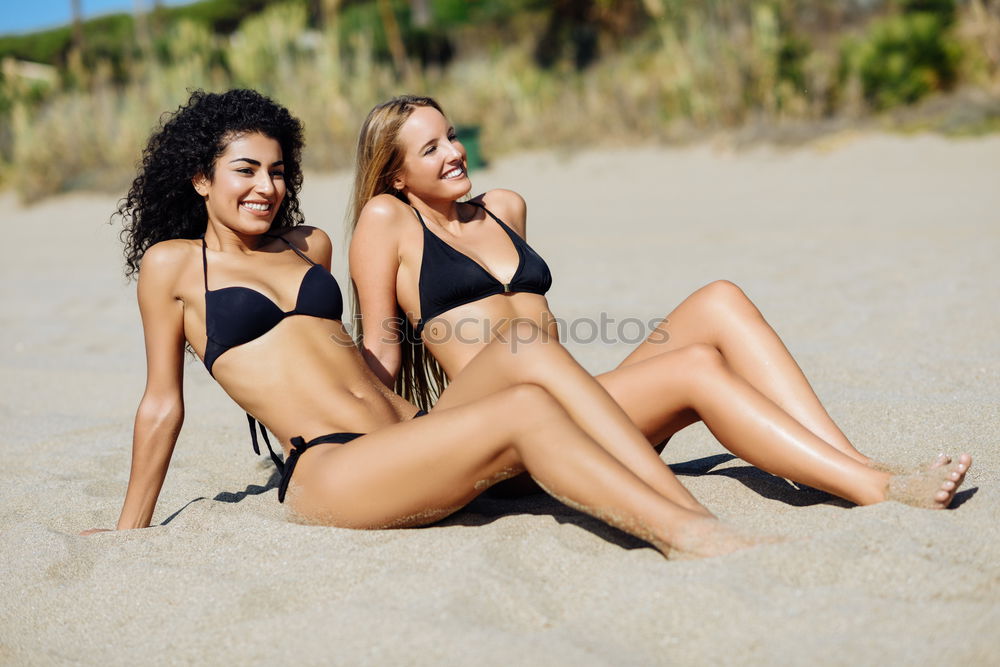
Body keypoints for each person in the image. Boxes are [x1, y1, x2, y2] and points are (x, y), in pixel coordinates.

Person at [82, 88, 775, 560]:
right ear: (200, 179)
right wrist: (128, 530)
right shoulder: (174, 268)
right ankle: (687, 530)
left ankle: (682, 506)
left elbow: (363, 348)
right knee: (527, 412)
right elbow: (161, 404)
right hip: (332, 466)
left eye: (278, 171)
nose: (268, 187)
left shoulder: (310, 244)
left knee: (525, 352)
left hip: (411, 431)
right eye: (245, 171)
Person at [347, 94, 971, 509]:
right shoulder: (387, 221)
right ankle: (876, 488)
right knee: (694, 367)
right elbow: (381, 344)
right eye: (430, 149)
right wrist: (368, 444)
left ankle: (852, 462)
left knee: (719, 299)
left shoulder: (506, 208)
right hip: (506, 434)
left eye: (451, 137)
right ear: (396, 174)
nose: (454, 153)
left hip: (582, 404)